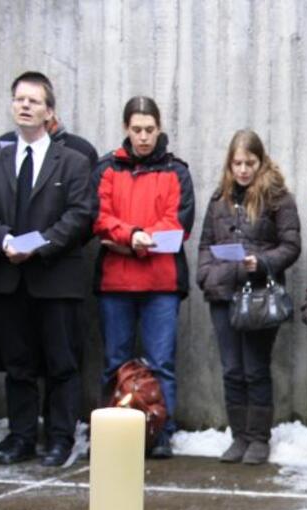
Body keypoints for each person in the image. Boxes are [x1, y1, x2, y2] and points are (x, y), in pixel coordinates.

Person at [0, 71, 95, 467]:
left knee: (62, 365)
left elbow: (81, 215)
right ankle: (21, 436)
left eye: (34, 100)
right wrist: (4, 241)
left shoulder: (75, 162)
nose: (25, 106)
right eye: (19, 99)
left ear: (50, 111)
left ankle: (61, 438)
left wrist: (40, 245)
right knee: (18, 365)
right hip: (11, 280)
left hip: (56, 279)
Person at [92, 96, 195, 459]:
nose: (143, 137)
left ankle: (161, 431)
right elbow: (99, 217)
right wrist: (131, 233)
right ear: (126, 129)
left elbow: (178, 221)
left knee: (160, 362)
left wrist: (132, 243)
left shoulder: (176, 170)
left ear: (160, 128)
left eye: (150, 129)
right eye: (136, 130)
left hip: (161, 284)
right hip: (115, 284)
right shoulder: (107, 168)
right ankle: (111, 431)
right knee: (114, 362)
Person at [197, 129, 301, 464]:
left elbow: (291, 245)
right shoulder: (219, 199)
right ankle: (238, 437)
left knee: (255, 369)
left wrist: (263, 262)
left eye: (249, 163)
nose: (243, 170)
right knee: (231, 370)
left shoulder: (277, 198)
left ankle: (258, 439)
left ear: (261, 161)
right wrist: (207, 276)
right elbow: (205, 246)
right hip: (223, 293)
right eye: (237, 163)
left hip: (257, 296)